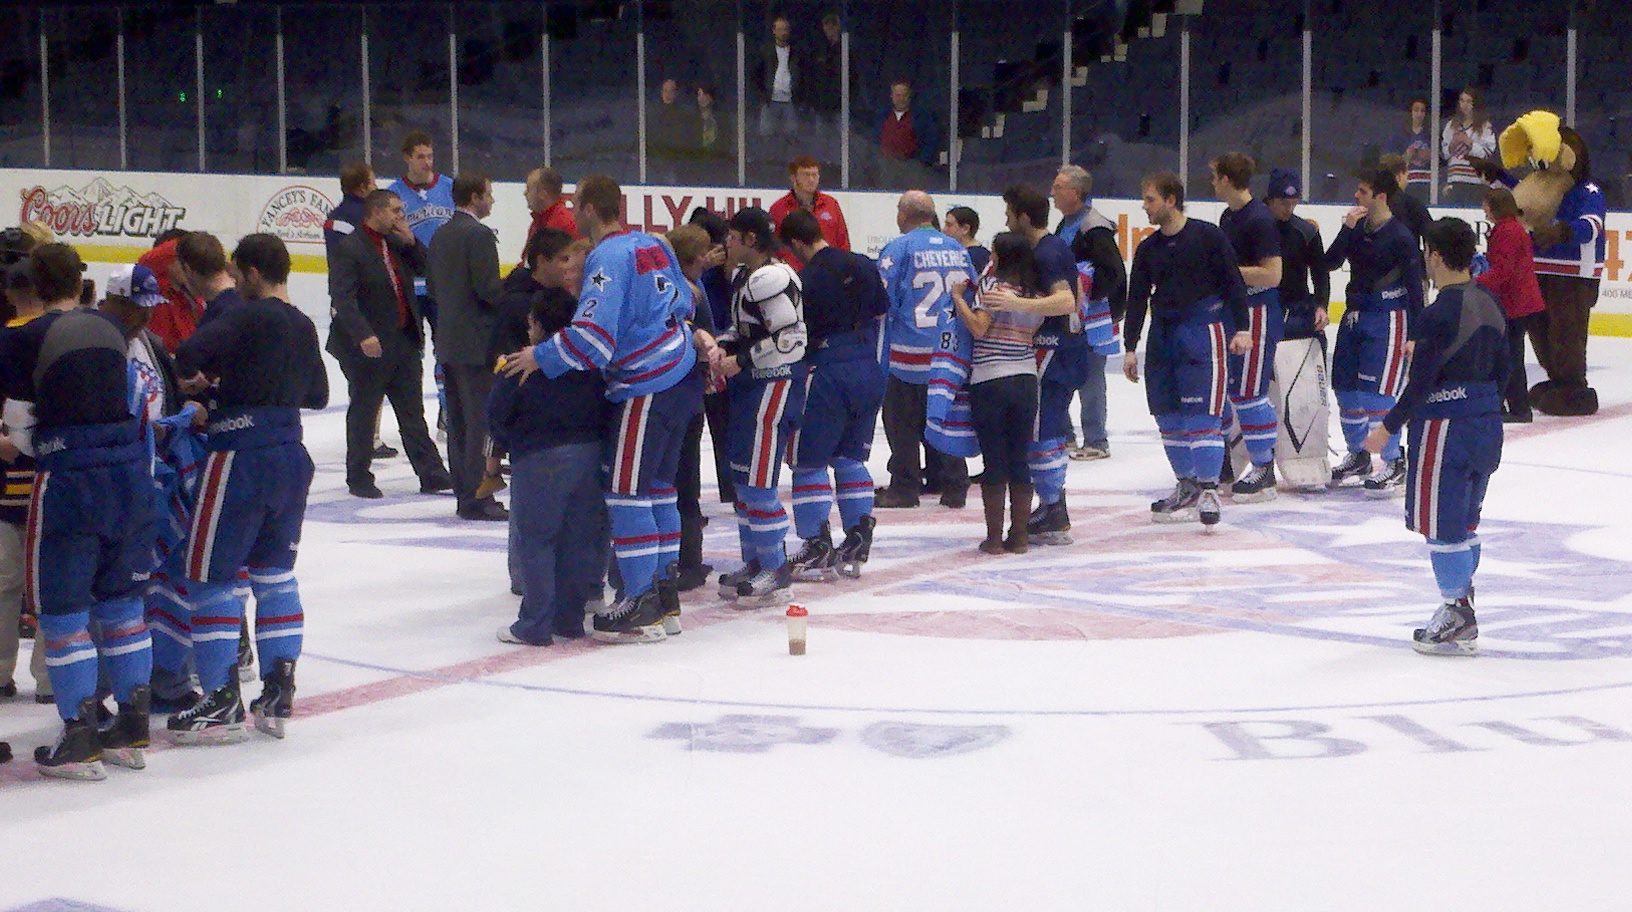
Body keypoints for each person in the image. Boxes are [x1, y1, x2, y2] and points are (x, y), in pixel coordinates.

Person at [502, 174, 704, 643]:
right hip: (680, 375)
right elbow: (684, 298)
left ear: (588, 208)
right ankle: (663, 597)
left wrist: (542, 355)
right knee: (658, 490)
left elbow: (593, 336)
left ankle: (639, 603)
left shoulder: (608, 257)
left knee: (625, 492)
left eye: (576, 205)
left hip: (646, 383)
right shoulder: (654, 244)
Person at [3, 244, 156, 780]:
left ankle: (79, 735)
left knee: (63, 612)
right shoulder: (112, 331)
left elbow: (20, 430)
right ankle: (132, 723)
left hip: (70, 481)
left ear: (33, 286)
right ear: (81, 280)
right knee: (122, 605)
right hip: (131, 479)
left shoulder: (21, 338)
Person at [168, 233, 328, 742]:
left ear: (253, 274)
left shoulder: (245, 314)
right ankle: (279, 688)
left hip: (239, 455)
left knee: (209, 577)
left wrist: (205, 383)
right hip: (291, 456)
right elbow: (320, 394)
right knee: (275, 575)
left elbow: (188, 354)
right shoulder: (302, 323)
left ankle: (218, 699)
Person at [1362, 218, 1506, 656]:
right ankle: (1461, 601)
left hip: (1446, 429)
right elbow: (1505, 372)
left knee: (1443, 529)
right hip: (1486, 424)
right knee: (1465, 523)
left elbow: (1421, 383)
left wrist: (1387, 427)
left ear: (1436, 256)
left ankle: (1457, 610)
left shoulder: (1438, 311)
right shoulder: (1490, 302)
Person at [1122, 173, 1252, 527]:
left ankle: (1209, 488)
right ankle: (1187, 485)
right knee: (1167, 415)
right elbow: (1137, 299)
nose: (1145, 207)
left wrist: (1243, 328)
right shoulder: (1148, 248)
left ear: (1170, 200)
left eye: (1150, 200)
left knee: (1202, 415)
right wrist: (1130, 346)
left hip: (1202, 331)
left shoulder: (1208, 236)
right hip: (1162, 334)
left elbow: (1233, 283)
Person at [488, 296, 611, 647]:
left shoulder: (519, 365)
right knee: (578, 541)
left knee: (537, 541)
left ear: (539, 326)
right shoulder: (591, 363)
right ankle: (570, 620)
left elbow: (497, 415)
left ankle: (535, 624)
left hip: (538, 457)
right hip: (588, 456)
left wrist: (505, 444)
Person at [778, 208, 886, 580]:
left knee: (808, 461)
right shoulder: (863, 264)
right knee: (850, 457)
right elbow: (882, 310)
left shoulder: (805, 280)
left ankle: (814, 544)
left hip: (826, 369)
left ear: (794, 243)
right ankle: (857, 535)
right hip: (867, 366)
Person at [327, 189, 453, 499]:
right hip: (369, 345)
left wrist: (411, 240)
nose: (401, 216)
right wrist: (363, 335)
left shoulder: (396, 243)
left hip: (403, 341)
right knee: (364, 411)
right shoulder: (350, 248)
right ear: (376, 211)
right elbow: (343, 298)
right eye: (395, 211)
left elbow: (427, 268)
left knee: (412, 413)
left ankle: (432, 473)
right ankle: (358, 476)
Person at [712, 208, 807, 606]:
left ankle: (774, 566)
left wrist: (742, 359)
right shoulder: (747, 277)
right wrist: (722, 344)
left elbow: (791, 336)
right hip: (753, 386)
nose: (727, 244)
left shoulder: (773, 277)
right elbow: (748, 329)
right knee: (742, 478)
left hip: (773, 384)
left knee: (758, 478)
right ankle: (756, 562)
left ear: (751, 239)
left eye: (733, 237)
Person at [987, 184, 1086, 546]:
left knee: (1043, 433)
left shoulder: (1047, 252)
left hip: (1055, 351)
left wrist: (1016, 304)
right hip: (1056, 351)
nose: (1006, 220)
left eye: (1009, 214)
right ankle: (1051, 504)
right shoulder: (1047, 247)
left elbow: (1065, 301)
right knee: (1046, 431)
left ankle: (1053, 507)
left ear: (1023, 216)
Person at [1323, 167, 1426, 494]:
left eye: (1363, 191)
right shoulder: (1357, 229)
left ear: (1381, 196)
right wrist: (1346, 229)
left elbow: (1415, 286)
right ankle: (1359, 454)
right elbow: (1329, 263)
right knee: (1346, 389)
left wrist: (1416, 334)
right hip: (1355, 317)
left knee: (1377, 395)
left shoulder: (1400, 237)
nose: (1356, 196)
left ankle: (1394, 460)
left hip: (1389, 318)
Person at [876, 190, 973, 509]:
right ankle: (954, 483)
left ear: (903, 214)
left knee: (901, 421)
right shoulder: (958, 250)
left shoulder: (899, 248)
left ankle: (905, 486)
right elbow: (973, 292)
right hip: (948, 352)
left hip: (907, 353)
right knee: (943, 415)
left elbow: (883, 300)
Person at [954, 233, 1046, 554]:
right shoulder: (1034, 294)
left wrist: (958, 299)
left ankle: (993, 539)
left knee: (994, 458)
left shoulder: (992, 287)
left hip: (991, 379)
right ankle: (1019, 536)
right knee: (1020, 456)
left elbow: (979, 328)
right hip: (1024, 378)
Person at [428, 172, 507, 522]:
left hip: (449, 341)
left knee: (459, 423)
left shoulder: (442, 234)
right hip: (477, 344)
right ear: (474, 197)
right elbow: (489, 290)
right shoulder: (479, 235)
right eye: (488, 194)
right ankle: (477, 495)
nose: (491, 201)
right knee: (479, 423)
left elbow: (432, 286)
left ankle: (465, 491)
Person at [1210, 153, 1284, 502]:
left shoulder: (1260, 219)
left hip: (1257, 313)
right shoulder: (1228, 216)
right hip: (1232, 310)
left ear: (1226, 178)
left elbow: (1272, 275)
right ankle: (1224, 461)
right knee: (1223, 389)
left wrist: (1228, 271)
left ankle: (1263, 467)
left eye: (1215, 176)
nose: (1212, 183)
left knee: (1249, 393)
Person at [0, 254, 52, 706]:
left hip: (6, 480)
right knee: (53, 580)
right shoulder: (64, 336)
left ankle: (0, 673)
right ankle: (52, 678)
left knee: (4, 582)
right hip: (52, 477)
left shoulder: (5, 339)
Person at [1264, 169, 1334, 490]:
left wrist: (1321, 305)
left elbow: (1320, 273)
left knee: (1305, 387)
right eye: (1282, 202)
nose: (1288, 208)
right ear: (1269, 199)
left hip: (1298, 313)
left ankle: (1308, 444)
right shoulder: (1253, 228)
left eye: (1293, 202)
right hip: (1263, 313)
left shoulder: (1305, 232)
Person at [323, 161, 398, 461]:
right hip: (370, 304)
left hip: (343, 300)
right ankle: (370, 437)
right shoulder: (364, 219)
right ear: (365, 186)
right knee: (371, 376)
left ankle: (366, 435)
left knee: (360, 377)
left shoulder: (333, 218)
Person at [665, 225, 725, 591]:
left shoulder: (682, 286)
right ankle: (688, 560)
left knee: (672, 479)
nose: (709, 258)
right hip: (684, 393)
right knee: (683, 478)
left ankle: (679, 557)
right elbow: (708, 335)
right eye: (704, 252)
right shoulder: (690, 291)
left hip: (675, 393)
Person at [1051, 164, 1125, 463]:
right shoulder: (1068, 223)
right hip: (1073, 316)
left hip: (1090, 319)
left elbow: (1113, 273)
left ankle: (1096, 439)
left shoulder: (1093, 228)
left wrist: (1088, 300)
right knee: (1064, 374)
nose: (1052, 193)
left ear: (1075, 193)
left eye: (1058, 187)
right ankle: (1065, 434)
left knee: (1090, 377)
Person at [1476, 187, 1545, 423]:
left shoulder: (1507, 231)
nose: (1483, 209)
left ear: (1494, 206)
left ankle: (1519, 407)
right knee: (1509, 355)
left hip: (1515, 303)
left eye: (1486, 204)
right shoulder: (1509, 228)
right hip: (1517, 301)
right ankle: (1515, 404)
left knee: (1511, 357)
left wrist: (1476, 282)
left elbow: (1503, 271)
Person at [690, 208, 737, 505]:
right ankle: (688, 498)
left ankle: (731, 488)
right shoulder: (692, 273)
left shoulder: (730, 273)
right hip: (696, 354)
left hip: (720, 352)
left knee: (723, 425)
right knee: (692, 432)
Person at [768, 155, 851, 271]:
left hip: (828, 274)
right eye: (806, 175)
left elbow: (843, 243)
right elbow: (772, 247)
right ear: (793, 177)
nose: (811, 180)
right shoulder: (778, 209)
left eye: (815, 175)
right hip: (793, 276)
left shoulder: (831, 204)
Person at [879, 81, 940, 187]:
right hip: (887, 167)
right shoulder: (882, 116)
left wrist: (920, 163)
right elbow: (875, 139)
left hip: (912, 167)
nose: (901, 99)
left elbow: (931, 142)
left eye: (904, 95)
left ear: (909, 97)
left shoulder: (921, 117)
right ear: (891, 96)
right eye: (898, 95)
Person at [1441, 88, 1496, 207]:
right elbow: (1445, 154)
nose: (1464, 105)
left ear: (1475, 104)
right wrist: (1452, 145)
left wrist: (1469, 143)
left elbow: (1487, 153)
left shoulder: (1484, 126)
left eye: (1468, 101)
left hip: (1476, 182)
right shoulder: (1451, 125)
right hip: (1455, 180)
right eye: (1462, 101)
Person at [753, 14, 801, 139]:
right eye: (780, 29)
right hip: (770, 100)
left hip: (790, 101)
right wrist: (762, 94)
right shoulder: (765, 51)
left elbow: (802, 75)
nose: (783, 33)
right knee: (767, 135)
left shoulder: (795, 52)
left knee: (791, 136)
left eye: (785, 29)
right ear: (774, 31)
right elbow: (756, 74)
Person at [521, 166, 580, 265]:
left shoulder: (562, 223)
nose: (525, 193)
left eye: (528, 189)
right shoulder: (538, 220)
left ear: (543, 194)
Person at [1380, 154, 1431, 247]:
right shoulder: (1413, 205)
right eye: (1406, 175)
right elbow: (1431, 238)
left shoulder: (1371, 202)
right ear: (1399, 176)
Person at [1398, 98, 1433, 197]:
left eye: (1422, 111)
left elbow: (1440, 158)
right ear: (1410, 112)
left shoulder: (1431, 135)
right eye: (1416, 110)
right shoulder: (1401, 135)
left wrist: (1429, 155)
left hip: (1427, 184)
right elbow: (1395, 161)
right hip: (1408, 183)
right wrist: (1408, 155)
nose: (1419, 114)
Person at [944, 206, 989, 275]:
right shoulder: (986, 254)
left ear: (965, 229)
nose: (944, 229)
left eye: (949, 225)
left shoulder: (971, 257)